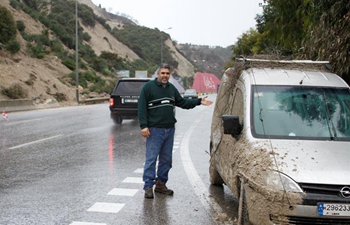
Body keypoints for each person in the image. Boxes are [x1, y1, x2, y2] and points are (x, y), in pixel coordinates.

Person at [138, 63, 213, 199]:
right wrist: (144, 126)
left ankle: (161, 184)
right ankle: (148, 186)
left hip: (169, 130)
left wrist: (198, 101)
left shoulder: (171, 89)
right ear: (158, 74)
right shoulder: (148, 88)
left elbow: (183, 102)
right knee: (151, 159)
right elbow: (141, 108)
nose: (165, 76)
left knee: (166, 160)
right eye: (163, 73)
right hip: (155, 130)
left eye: (167, 73)